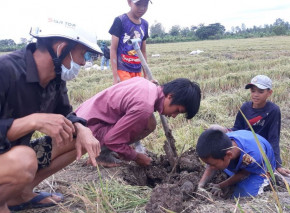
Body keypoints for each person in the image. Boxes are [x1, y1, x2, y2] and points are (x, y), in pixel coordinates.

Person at [0, 18, 102, 213]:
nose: (82, 62)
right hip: (12, 159)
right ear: (61, 48)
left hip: (10, 156)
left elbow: (65, 113)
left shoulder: (55, 79)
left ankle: (19, 194)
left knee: (74, 137)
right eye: (82, 54)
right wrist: (33, 121)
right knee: (24, 159)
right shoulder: (5, 70)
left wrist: (81, 128)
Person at [75, 77, 201, 167]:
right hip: (86, 129)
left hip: (81, 117)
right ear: (170, 96)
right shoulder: (144, 107)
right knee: (147, 123)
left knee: (149, 121)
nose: (173, 116)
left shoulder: (146, 84)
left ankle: (107, 151)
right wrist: (135, 156)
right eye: (177, 110)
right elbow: (111, 139)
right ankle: (102, 155)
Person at [230, 75, 290, 177]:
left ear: (269, 93)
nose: (256, 95)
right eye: (253, 91)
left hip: (260, 150)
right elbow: (237, 129)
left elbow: (273, 138)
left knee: (248, 170)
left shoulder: (273, 111)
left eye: (260, 92)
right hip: (244, 145)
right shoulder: (245, 107)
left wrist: (277, 164)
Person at [197, 126, 276, 198]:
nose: (210, 167)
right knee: (219, 166)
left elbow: (244, 173)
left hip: (260, 169)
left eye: (212, 164)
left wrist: (220, 185)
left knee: (241, 197)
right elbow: (211, 165)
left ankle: (273, 177)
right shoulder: (221, 145)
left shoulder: (253, 155)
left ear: (229, 155)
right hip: (241, 157)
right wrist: (200, 185)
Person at [109, 0, 151, 85]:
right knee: (127, 94)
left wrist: (146, 74)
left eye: (145, 5)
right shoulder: (120, 20)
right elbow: (113, 49)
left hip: (137, 69)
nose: (142, 8)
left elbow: (143, 51)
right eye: (138, 4)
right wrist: (115, 75)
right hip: (123, 69)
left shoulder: (145, 24)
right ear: (129, 2)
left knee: (137, 94)